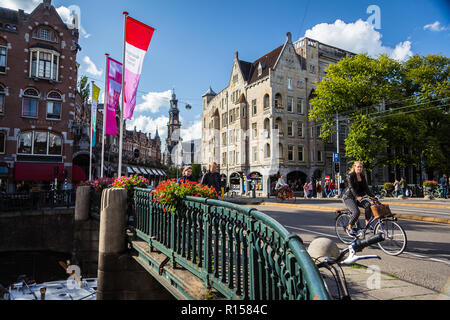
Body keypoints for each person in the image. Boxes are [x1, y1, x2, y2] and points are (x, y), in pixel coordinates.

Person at [343, 161, 375, 238]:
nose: (360, 168)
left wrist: (373, 196)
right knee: (356, 212)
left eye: (361, 167)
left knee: (368, 205)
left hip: (359, 197)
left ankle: (367, 224)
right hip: (349, 197)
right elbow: (351, 188)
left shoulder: (362, 176)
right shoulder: (350, 176)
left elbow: (366, 188)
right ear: (354, 167)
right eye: (358, 167)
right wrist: (357, 196)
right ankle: (349, 228)